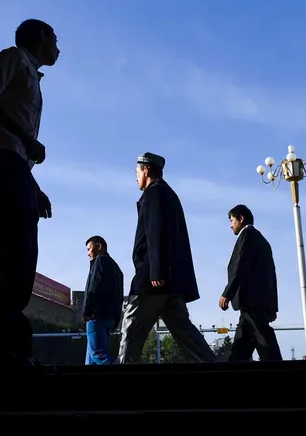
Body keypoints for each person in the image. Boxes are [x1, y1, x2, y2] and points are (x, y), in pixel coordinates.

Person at [0, 19, 59, 369]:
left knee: (22, 255)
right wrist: (26, 138)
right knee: (15, 255)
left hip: (15, 166)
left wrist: (34, 187)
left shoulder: (32, 75)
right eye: (54, 39)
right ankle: (0, 350)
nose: (58, 48)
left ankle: (6, 345)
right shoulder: (13, 57)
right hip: (3, 162)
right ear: (40, 37)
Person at [118, 153, 216, 364]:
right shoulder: (168, 194)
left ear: (146, 170)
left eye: (136, 172)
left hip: (153, 277)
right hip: (171, 279)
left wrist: (156, 271)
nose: (135, 178)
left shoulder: (155, 193)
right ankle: (213, 368)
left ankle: (121, 376)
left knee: (131, 326)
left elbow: (155, 232)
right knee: (185, 332)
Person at [219, 204, 283, 362]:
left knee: (266, 345)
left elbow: (240, 267)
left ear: (241, 219)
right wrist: (271, 306)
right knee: (241, 350)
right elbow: (270, 276)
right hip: (255, 304)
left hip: (252, 303)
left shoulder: (247, 236)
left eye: (232, 220)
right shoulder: (262, 240)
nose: (230, 225)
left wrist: (227, 293)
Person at [82, 236, 124, 365]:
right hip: (110, 317)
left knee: (97, 353)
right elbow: (119, 295)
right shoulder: (116, 268)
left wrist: (87, 311)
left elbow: (93, 288)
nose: (88, 253)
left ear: (99, 246)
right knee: (90, 359)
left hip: (97, 315)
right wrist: (116, 319)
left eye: (89, 249)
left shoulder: (100, 261)